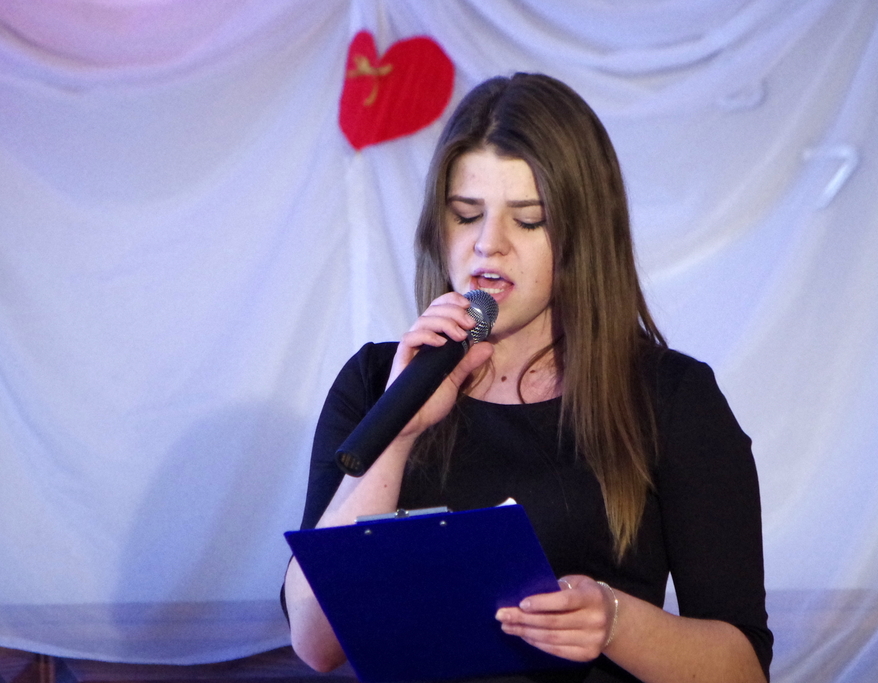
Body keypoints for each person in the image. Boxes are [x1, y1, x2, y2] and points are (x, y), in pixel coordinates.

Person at [282, 72, 772, 683]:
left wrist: (615, 623)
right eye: (467, 214)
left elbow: (742, 669)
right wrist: (400, 432)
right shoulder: (378, 381)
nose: (489, 245)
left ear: (583, 235)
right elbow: (316, 642)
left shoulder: (670, 398)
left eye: (529, 220)